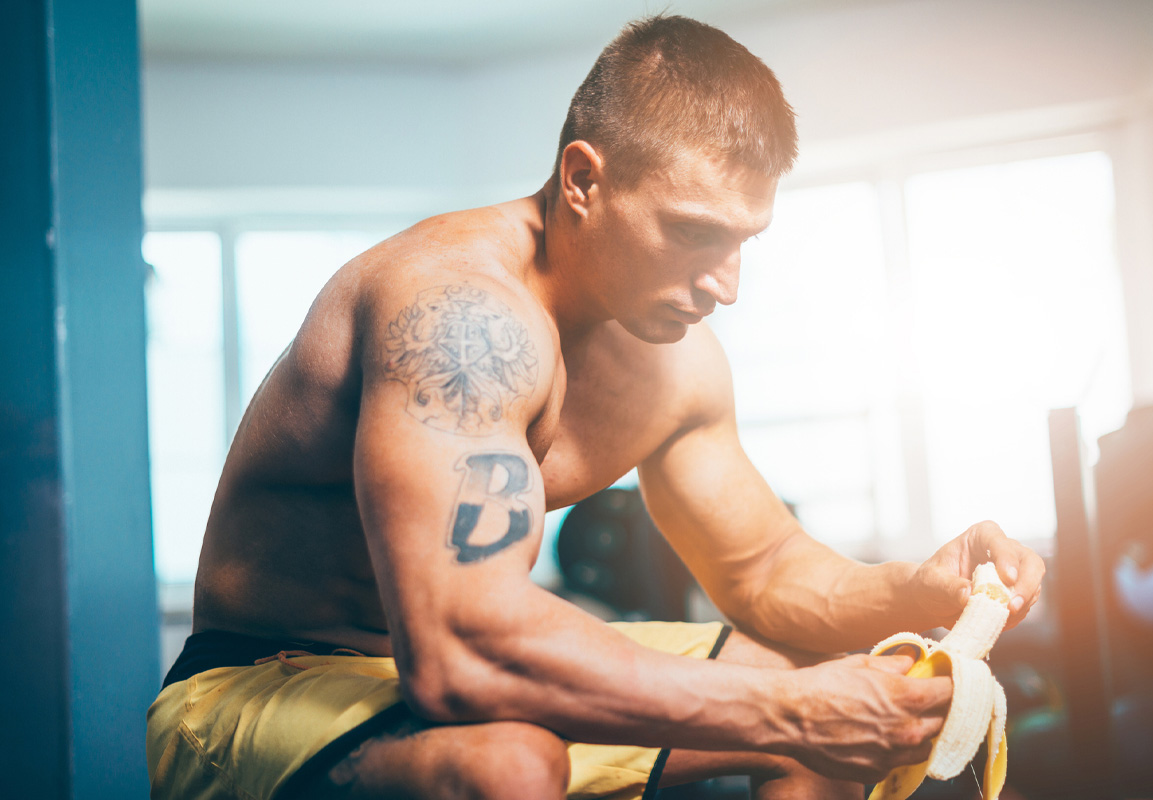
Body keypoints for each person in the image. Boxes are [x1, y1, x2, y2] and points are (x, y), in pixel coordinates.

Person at [146, 15, 1045, 800]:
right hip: (259, 683)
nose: (725, 284)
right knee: (508, 764)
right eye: (695, 232)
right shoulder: (459, 315)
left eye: (743, 240)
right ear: (583, 179)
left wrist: (917, 588)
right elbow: (459, 652)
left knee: (807, 687)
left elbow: (765, 569)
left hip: (444, 669)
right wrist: (792, 712)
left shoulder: (675, 360)